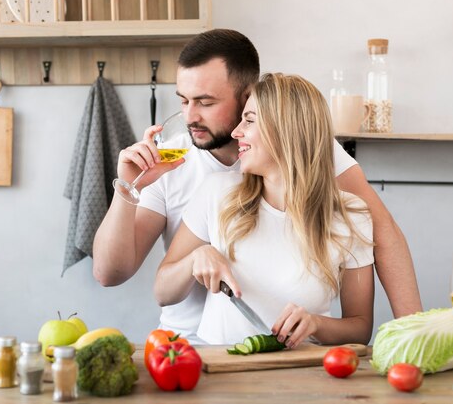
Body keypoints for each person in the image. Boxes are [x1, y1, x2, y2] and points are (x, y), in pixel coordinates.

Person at [92, 29, 421, 342]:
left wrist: (416, 338)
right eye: (183, 100)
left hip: (288, 356)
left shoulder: (310, 149)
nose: (190, 116)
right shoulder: (176, 166)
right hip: (191, 345)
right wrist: (127, 186)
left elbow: (381, 232)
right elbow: (110, 274)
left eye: (205, 102)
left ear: (248, 97)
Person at [155, 73, 374, 346]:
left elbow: (360, 329)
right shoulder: (217, 192)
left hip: (302, 373)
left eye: (249, 120)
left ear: (287, 130)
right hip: (221, 371)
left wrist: (317, 324)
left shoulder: (351, 214)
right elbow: (163, 292)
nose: (236, 133)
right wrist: (195, 259)